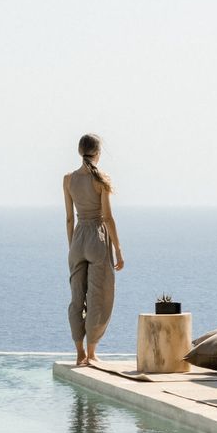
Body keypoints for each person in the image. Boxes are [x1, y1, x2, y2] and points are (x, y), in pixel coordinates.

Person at [63, 134, 124, 366]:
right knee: (99, 297)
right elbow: (107, 217)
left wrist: (72, 246)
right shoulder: (102, 179)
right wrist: (118, 249)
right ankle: (91, 353)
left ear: (80, 151)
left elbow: (69, 218)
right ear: (98, 153)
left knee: (77, 298)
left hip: (78, 239)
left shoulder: (68, 179)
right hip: (97, 239)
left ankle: (79, 353)